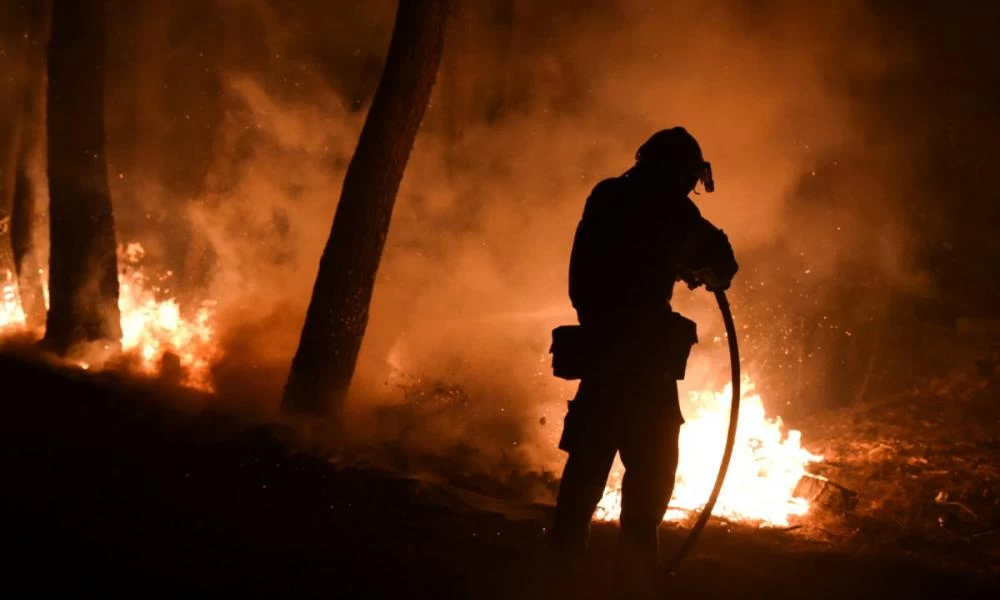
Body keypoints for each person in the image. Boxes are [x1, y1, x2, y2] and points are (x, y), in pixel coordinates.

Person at [550, 127, 738, 595]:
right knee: (649, 480)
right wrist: (698, 268)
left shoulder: (607, 196)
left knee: (585, 473)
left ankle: (560, 576)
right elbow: (720, 261)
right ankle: (634, 582)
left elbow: (614, 260)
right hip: (643, 368)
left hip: (600, 356)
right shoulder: (671, 208)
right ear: (678, 173)